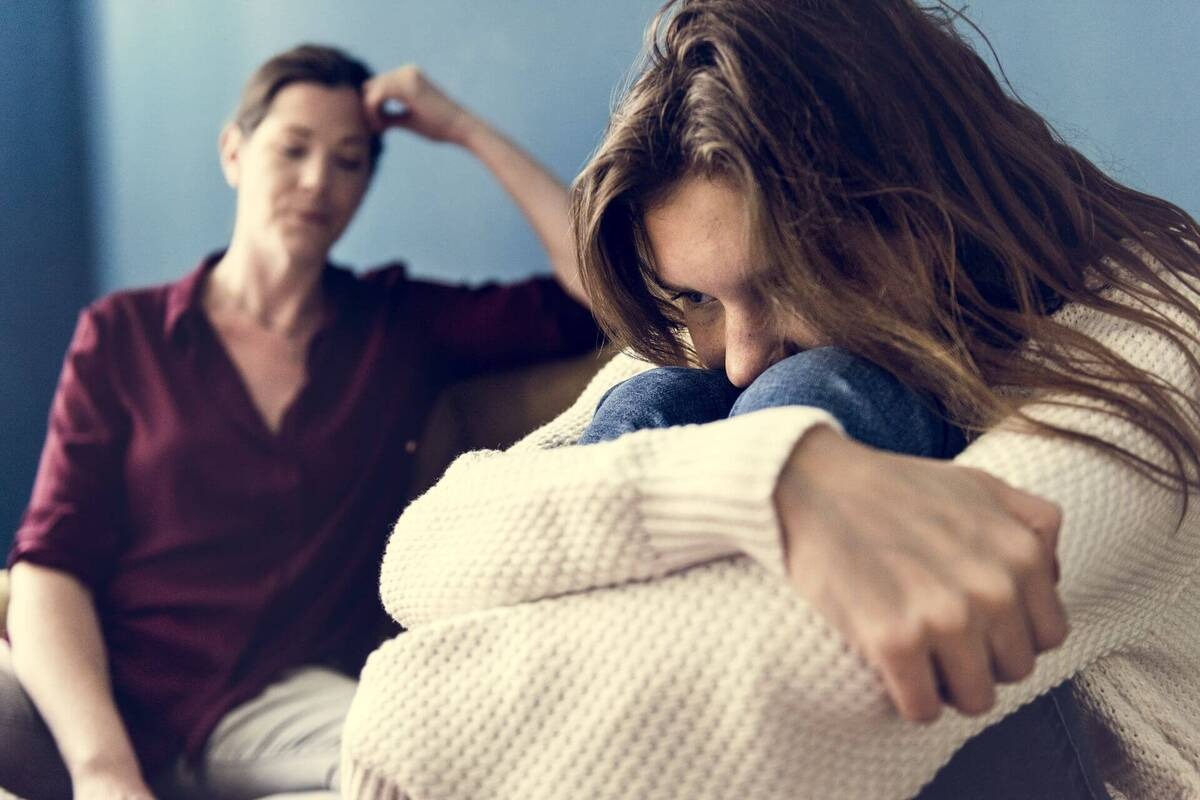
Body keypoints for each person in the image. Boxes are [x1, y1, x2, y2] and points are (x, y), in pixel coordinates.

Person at [339, 1, 1200, 798]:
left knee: (816, 395)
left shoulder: (1154, 341)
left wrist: (397, 709)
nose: (742, 358)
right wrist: (769, 480)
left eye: (791, 279)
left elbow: (769, 689)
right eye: (699, 299)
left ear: (930, 212)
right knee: (665, 398)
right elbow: (423, 551)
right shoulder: (709, 341)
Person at [0, 44, 599, 799]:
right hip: (92, 692)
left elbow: (601, 293)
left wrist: (463, 128)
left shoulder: (398, 327)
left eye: (349, 161)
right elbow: (52, 563)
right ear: (234, 152)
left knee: (436, 765)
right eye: (293, 149)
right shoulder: (123, 335)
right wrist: (103, 769)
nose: (318, 181)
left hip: (274, 707)